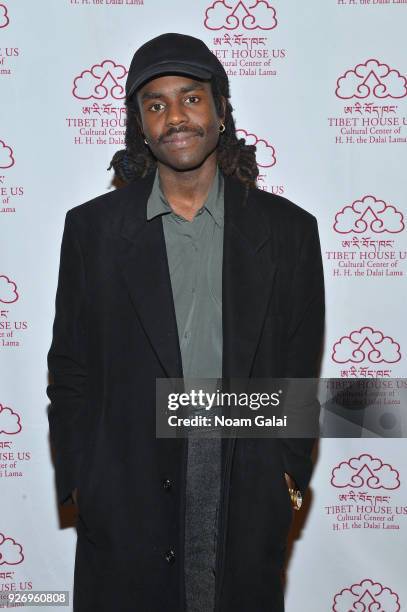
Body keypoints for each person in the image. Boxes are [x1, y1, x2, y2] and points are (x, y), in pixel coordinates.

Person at [46, 33, 325, 612]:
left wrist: (285, 477)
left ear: (221, 111)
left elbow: (299, 373)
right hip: (126, 485)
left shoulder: (289, 232)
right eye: (155, 104)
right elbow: (69, 368)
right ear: (140, 126)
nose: (175, 116)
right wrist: (82, 480)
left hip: (242, 480)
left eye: (191, 98)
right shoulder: (92, 231)